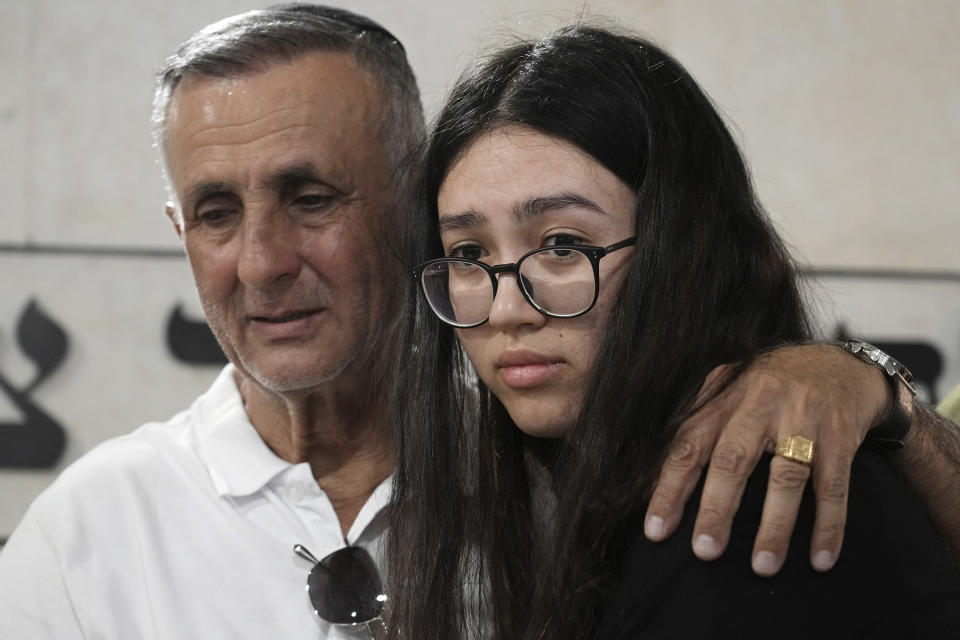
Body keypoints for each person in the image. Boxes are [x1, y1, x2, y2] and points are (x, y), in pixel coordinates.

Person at [0, 4, 958, 638]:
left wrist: (873, 392)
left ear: (404, 199)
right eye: (215, 213)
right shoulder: (83, 537)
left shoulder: (672, 473)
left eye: (312, 197)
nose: (261, 262)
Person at [388, 24, 960, 639]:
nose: (505, 310)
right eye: (469, 254)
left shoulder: (742, 501)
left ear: (682, 249)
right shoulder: (571, 483)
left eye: (562, 244)